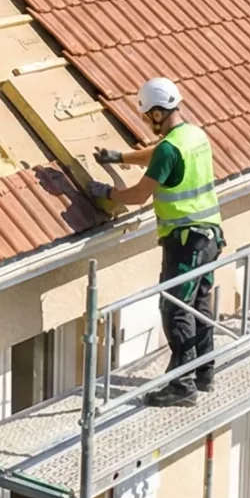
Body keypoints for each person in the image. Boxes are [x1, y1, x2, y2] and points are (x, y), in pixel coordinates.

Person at [91, 77, 224, 407]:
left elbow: (138, 195)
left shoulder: (169, 148)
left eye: (147, 115)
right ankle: (203, 370)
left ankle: (182, 385)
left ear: (155, 113)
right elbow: (161, 156)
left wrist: (107, 192)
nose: (147, 121)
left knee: (175, 306)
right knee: (198, 303)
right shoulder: (193, 134)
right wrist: (120, 156)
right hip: (209, 236)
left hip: (185, 241)